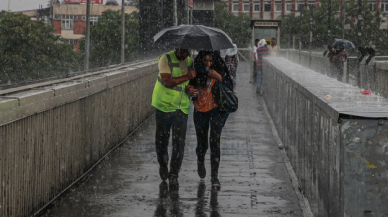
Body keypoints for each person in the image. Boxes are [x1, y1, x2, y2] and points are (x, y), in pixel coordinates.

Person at [151, 48, 197, 185]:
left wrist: (190, 89)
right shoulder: (165, 59)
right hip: (164, 106)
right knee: (161, 141)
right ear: (177, 48)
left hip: (181, 108)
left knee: (179, 143)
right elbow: (167, 81)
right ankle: (163, 164)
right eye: (183, 52)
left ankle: (174, 174)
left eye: (187, 52)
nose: (185, 55)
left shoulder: (189, 61)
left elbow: (187, 84)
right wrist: (188, 77)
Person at [188, 50, 233, 189]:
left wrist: (219, 77)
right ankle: (200, 159)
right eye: (205, 61)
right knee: (202, 143)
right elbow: (189, 85)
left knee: (215, 141)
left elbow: (229, 87)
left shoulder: (220, 69)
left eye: (211, 61)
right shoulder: (196, 70)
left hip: (216, 110)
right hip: (200, 110)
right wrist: (190, 89)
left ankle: (214, 177)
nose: (208, 63)